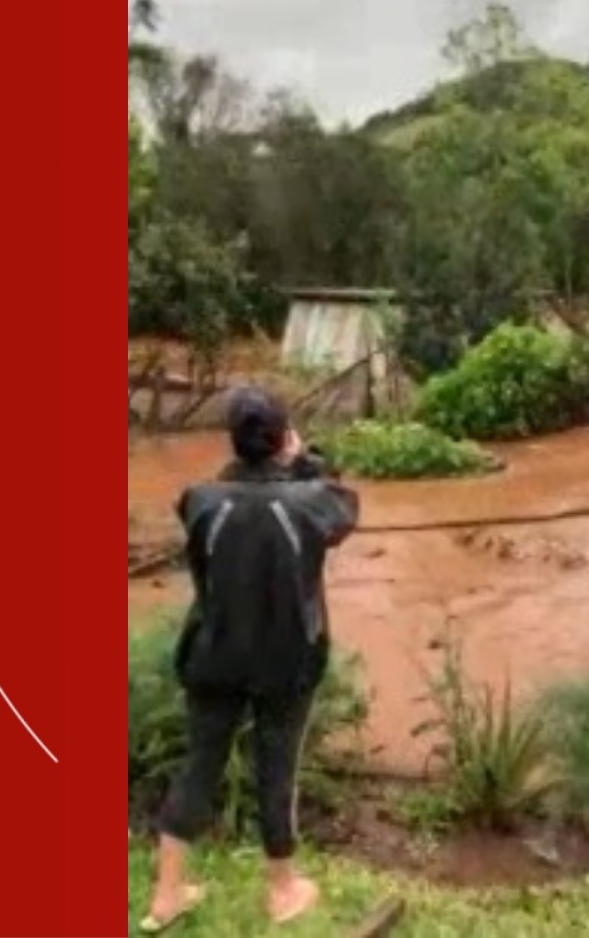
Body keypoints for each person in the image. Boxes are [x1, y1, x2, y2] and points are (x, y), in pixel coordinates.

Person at [141, 387, 360, 932]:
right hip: (287, 661)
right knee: (277, 767)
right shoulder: (313, 501)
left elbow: (227, 495)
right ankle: (283, 892)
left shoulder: (200, 500)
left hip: (212, 655)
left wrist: (269, 464)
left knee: (199, 765)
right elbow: (342, 508)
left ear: (234, 441)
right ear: (284, 439)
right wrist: (303, 461)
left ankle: (166, 897)